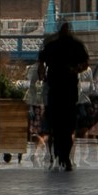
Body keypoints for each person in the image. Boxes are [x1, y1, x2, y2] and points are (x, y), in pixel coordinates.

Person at [36, 15, 90, 172]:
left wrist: (42, 77)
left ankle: (55, 154)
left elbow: (41, 63)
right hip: (69, 89)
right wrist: (75, 70)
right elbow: (85, 64)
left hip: (55, 89)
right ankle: (65, 157)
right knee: (67, 125)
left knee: (54, 124)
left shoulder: (50, 45)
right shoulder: (76, 45)